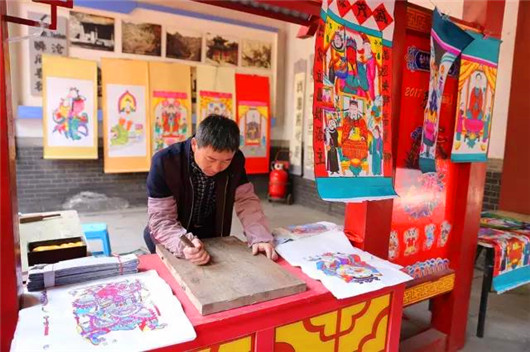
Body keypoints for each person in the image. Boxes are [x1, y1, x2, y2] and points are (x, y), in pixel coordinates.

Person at [144, 114, 277, 265]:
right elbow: (162, 220)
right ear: (195, 144)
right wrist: (184, 245)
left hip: (213, 237)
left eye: (226, 160)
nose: (217, 168)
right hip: (171, 238)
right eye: (211, 159)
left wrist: (260, 237)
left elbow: (246, 201)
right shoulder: (165, 162)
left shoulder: (236, 161)